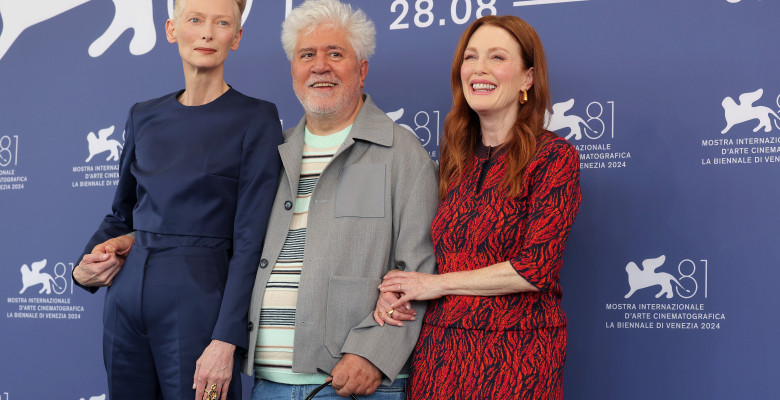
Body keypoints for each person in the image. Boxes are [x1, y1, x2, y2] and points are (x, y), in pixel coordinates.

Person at [82, 0, 439, 398]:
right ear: (293, 70)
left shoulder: (400, 152)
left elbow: (417, 274)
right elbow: (153, 216)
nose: (320, 65)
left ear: (362, 69)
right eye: (308, 55)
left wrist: (373, 354)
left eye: (335, 54)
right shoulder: (281, 149)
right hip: (267, 379)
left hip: (339, 378)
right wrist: (108, 253)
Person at [72, 0, 282, 399]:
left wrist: (226, 339)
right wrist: (81, 269)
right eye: (195, 20)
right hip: (125, 300)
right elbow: (122, 214)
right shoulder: (142, 115)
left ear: (235, 38)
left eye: (222, 23)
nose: (207, 32)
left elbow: (252, 241)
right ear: (172, 30)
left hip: (200, 299)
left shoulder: (256, 118)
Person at [373, 15, 582, 399]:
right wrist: (398, 290)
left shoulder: (554, 157)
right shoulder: (455, 161)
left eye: (497, 57)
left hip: (518, 356)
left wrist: (434, 285)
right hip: (438, 355)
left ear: (527, 79)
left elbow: (536, 268)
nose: (479, 69)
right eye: (470, 57)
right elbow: (431, 254)